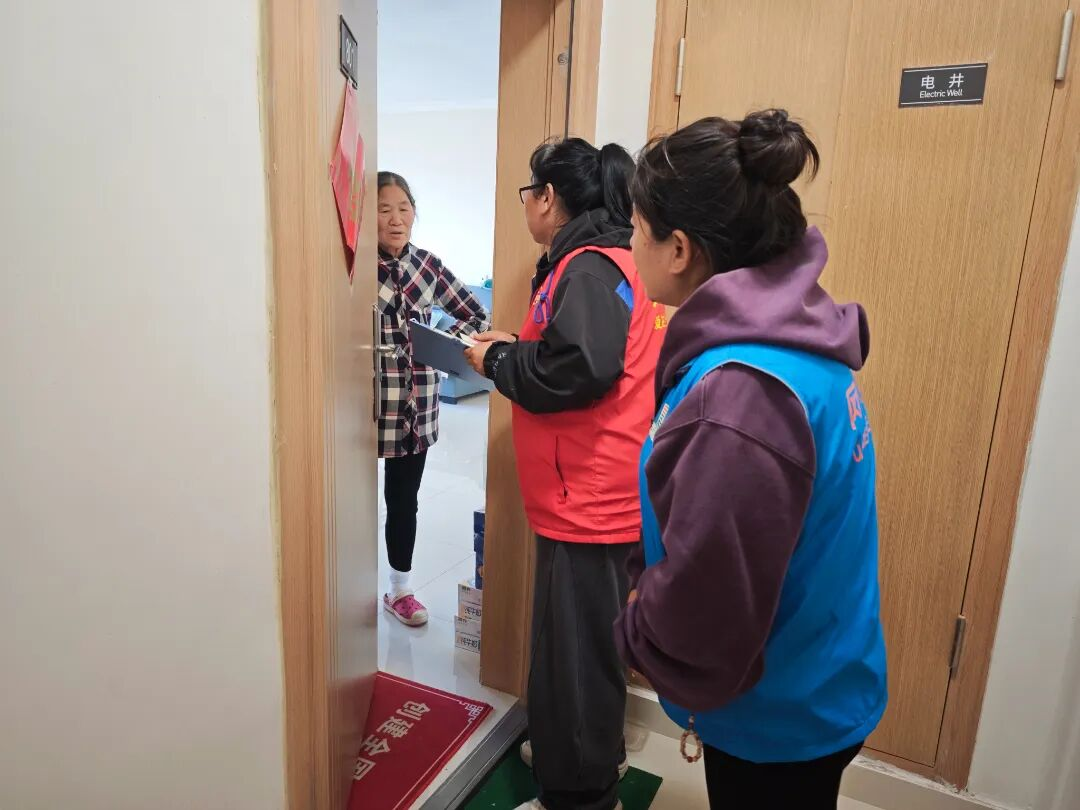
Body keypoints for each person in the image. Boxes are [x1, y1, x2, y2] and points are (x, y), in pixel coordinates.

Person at [614, 110, 887, 810]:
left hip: (779, 711)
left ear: (679, 248)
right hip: (820, 668)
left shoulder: (741, 395)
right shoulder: (795, 342)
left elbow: (707, 608)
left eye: (636, 228)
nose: (630, 244)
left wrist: (638, 624)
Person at [465, 139, 665, 810]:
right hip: (599, 489)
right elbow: (579, 351)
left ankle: (580, 795)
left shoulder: (587, 267)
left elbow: (579, 368)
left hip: (588, 496)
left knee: (574, 658)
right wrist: (516, 346)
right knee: (586, 644)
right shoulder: (612, 259)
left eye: (529, 193)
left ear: (548, 198)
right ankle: (587, 753)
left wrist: (498, 364)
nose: (527, 205)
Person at [376, 171, 489, 627]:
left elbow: (476, 314)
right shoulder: (351, 268)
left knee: (404, 500)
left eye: (403, 209)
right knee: (347, 500)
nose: (396, 219)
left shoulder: (428, 266)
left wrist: (439, 337)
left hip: (414, 408)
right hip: (359, 405)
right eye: (384, 210)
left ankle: (400, 589)